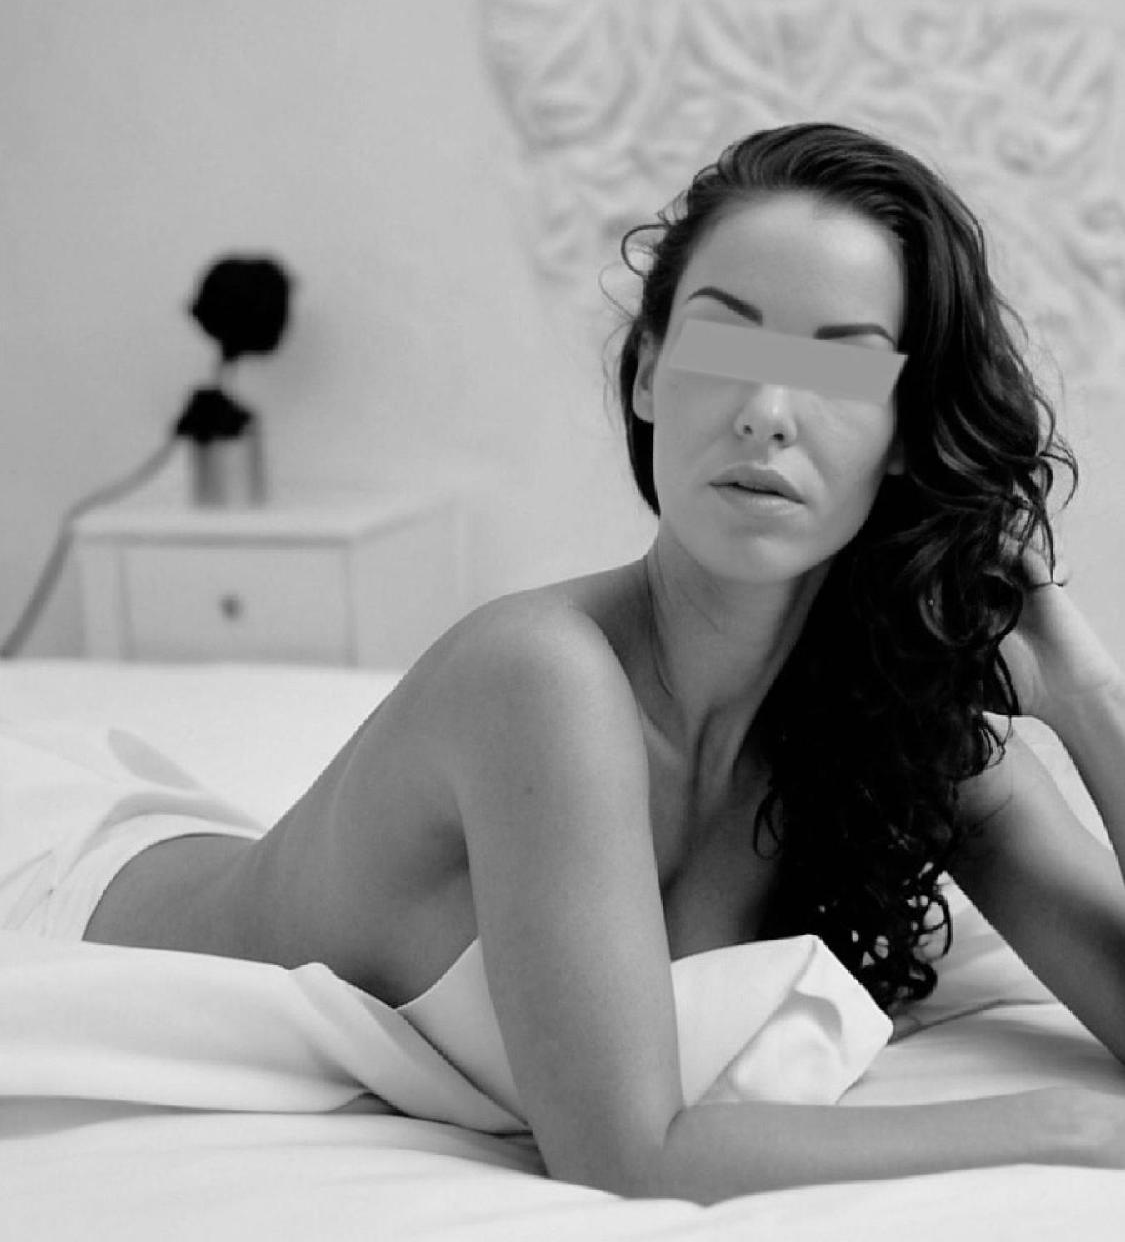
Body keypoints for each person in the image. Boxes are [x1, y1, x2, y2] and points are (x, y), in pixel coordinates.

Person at [70, 122, 1125, 1194]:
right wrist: (1065, 1126)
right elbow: (626, 1150)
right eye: (726, 346)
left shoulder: (885, 728)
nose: (767, 413)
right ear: (652, 374)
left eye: (836, 368)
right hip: (74, 919)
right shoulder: (542, 676)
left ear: (905, 432)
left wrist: (1088, 701)